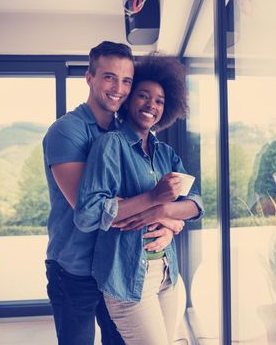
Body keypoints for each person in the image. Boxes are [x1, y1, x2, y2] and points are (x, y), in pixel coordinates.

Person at [43, 42, 184, 345]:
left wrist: (172, 224)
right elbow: (93, 210)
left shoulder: (128, 134)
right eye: (109, 77)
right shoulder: (68, 131)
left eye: (126, 80)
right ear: (89, 76)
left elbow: (137, 201)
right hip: (75, 268)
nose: (118, 88)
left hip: (120, 268)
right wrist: (161, 212)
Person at [74, 55, 204, 345]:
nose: (151, 105)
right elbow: (88, 214)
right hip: (128, 279)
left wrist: (163, 214)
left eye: (159, 101)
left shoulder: (165, 153)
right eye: (143, 96)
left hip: (167, 276)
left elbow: (196, 203)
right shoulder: (110, 145)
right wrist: (153, 197)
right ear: (129, 99)